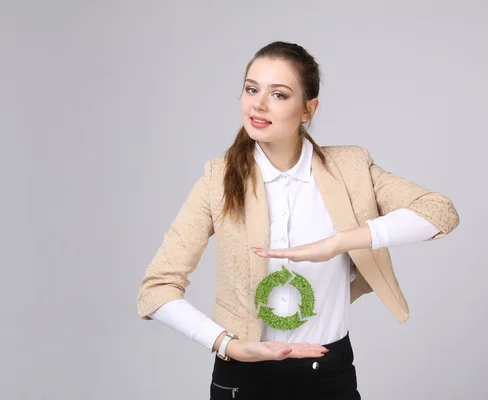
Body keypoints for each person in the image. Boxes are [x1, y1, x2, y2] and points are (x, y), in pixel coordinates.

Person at [136, 41, 459, 400]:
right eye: (251, 89)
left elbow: (439, 212)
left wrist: (339, 242)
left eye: (279, 94)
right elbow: (156, 290)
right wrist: (230, 345)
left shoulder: (350, 168)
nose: (258, 104)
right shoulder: (218, 178)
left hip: (328, 375)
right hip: (243, 378)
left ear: (308, 109)